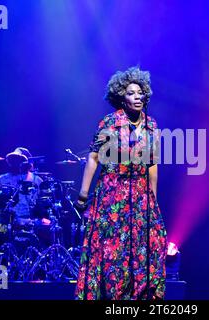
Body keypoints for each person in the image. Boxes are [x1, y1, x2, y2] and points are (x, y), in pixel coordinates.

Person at [74, 67, 167, 300]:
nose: (137, 97)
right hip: (112, 194)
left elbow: (152, 166)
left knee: (149, 247)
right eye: (131, 93)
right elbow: (94, 158)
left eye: (140, 93)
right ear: (121, 98)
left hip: (140, 195)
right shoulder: (109, 122)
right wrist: (83, 195)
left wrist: (152, 201)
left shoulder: (151, 126)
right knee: (113, 251)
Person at [0, 147, 43, 227]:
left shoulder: (37, 180)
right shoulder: (2, 178)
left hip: (31, 221)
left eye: (19, 159)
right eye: (14, 159)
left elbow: (44, 202)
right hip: (8, 220)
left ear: (27, 162)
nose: (16, 162)